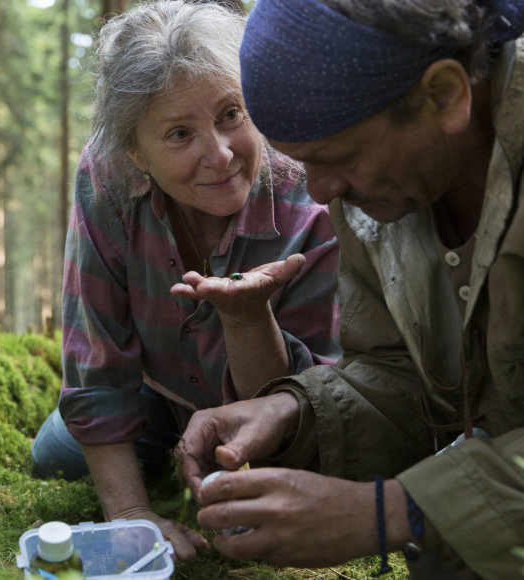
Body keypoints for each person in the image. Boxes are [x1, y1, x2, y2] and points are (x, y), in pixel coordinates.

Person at [177, 0, 524, 578]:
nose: (319, 192)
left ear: (444, 94)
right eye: (302, 164)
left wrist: (389, 513)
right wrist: (294, 410)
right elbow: (402, 372)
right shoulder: (382, 189)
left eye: (336, 157)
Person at [29, 0, 342, 562]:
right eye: (179, 134)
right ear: (135, 153)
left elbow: (314, 399)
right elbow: (97, 356)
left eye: (231, 114)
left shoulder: (310, 186)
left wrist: (248, 318)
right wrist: (128, 514)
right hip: (156, 392)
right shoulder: (105, 176)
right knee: (56, 455)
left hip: (276, 409)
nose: (219, 155)